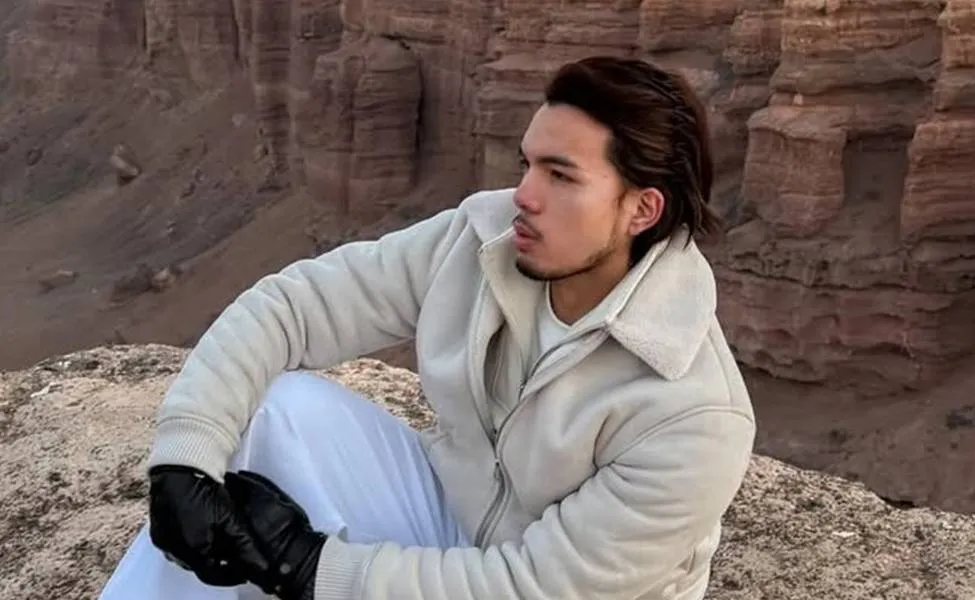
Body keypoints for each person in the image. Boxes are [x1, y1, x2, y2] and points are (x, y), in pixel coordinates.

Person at [98, 55, 757, 600]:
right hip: (451, 518)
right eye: (528, 164)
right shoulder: (485, 239)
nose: (524, 195)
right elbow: (293, 307)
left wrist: (311, 566)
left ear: (642, 209)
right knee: (274, 410)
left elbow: (535, 587)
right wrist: (181, 463)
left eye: (560, 176)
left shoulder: (693, 414)